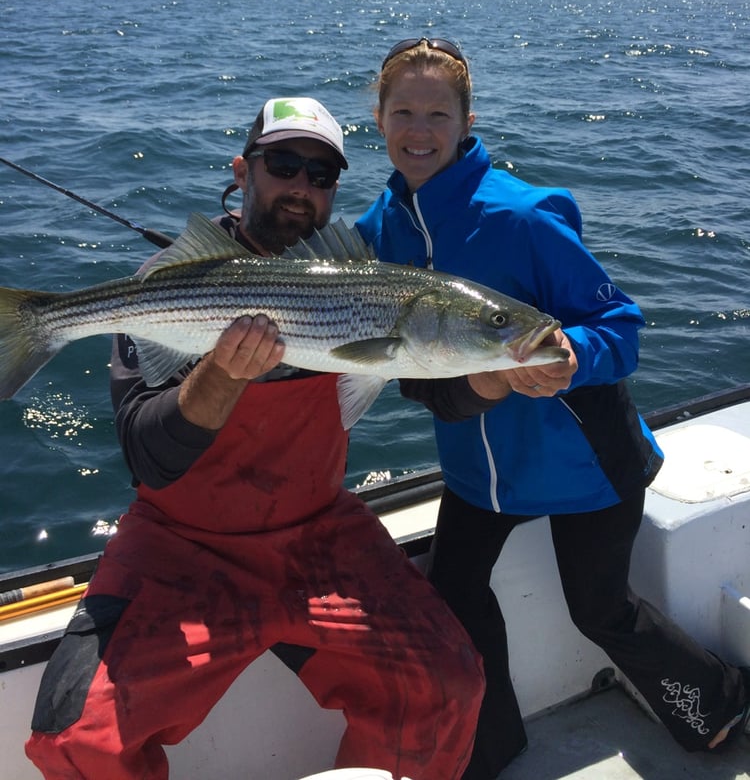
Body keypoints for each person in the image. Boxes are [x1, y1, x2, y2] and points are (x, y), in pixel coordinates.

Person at [25, 96, 485, 780]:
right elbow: (147, 456)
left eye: (321, 174)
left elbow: (433, 382)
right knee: (79, 741)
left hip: (319, 532)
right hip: (183, 541)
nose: (301, 186)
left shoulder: (361, 281)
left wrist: (499, 378)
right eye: (283, 164)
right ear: (243, 171)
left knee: (448, 681)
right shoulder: (167, 287)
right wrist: (217, 377)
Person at [355, 39, 750, 778]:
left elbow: (622, 329)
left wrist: (573, 360)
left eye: (437, 112)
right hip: (480, 471)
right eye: (402, 110)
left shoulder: (527, 217)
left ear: (467, 119)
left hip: (586, 463)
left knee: (600, 612)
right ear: (376, 119)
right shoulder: (382, 229)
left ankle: (717, 704)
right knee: (453, 594)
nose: (419, 127)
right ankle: (494, 742)